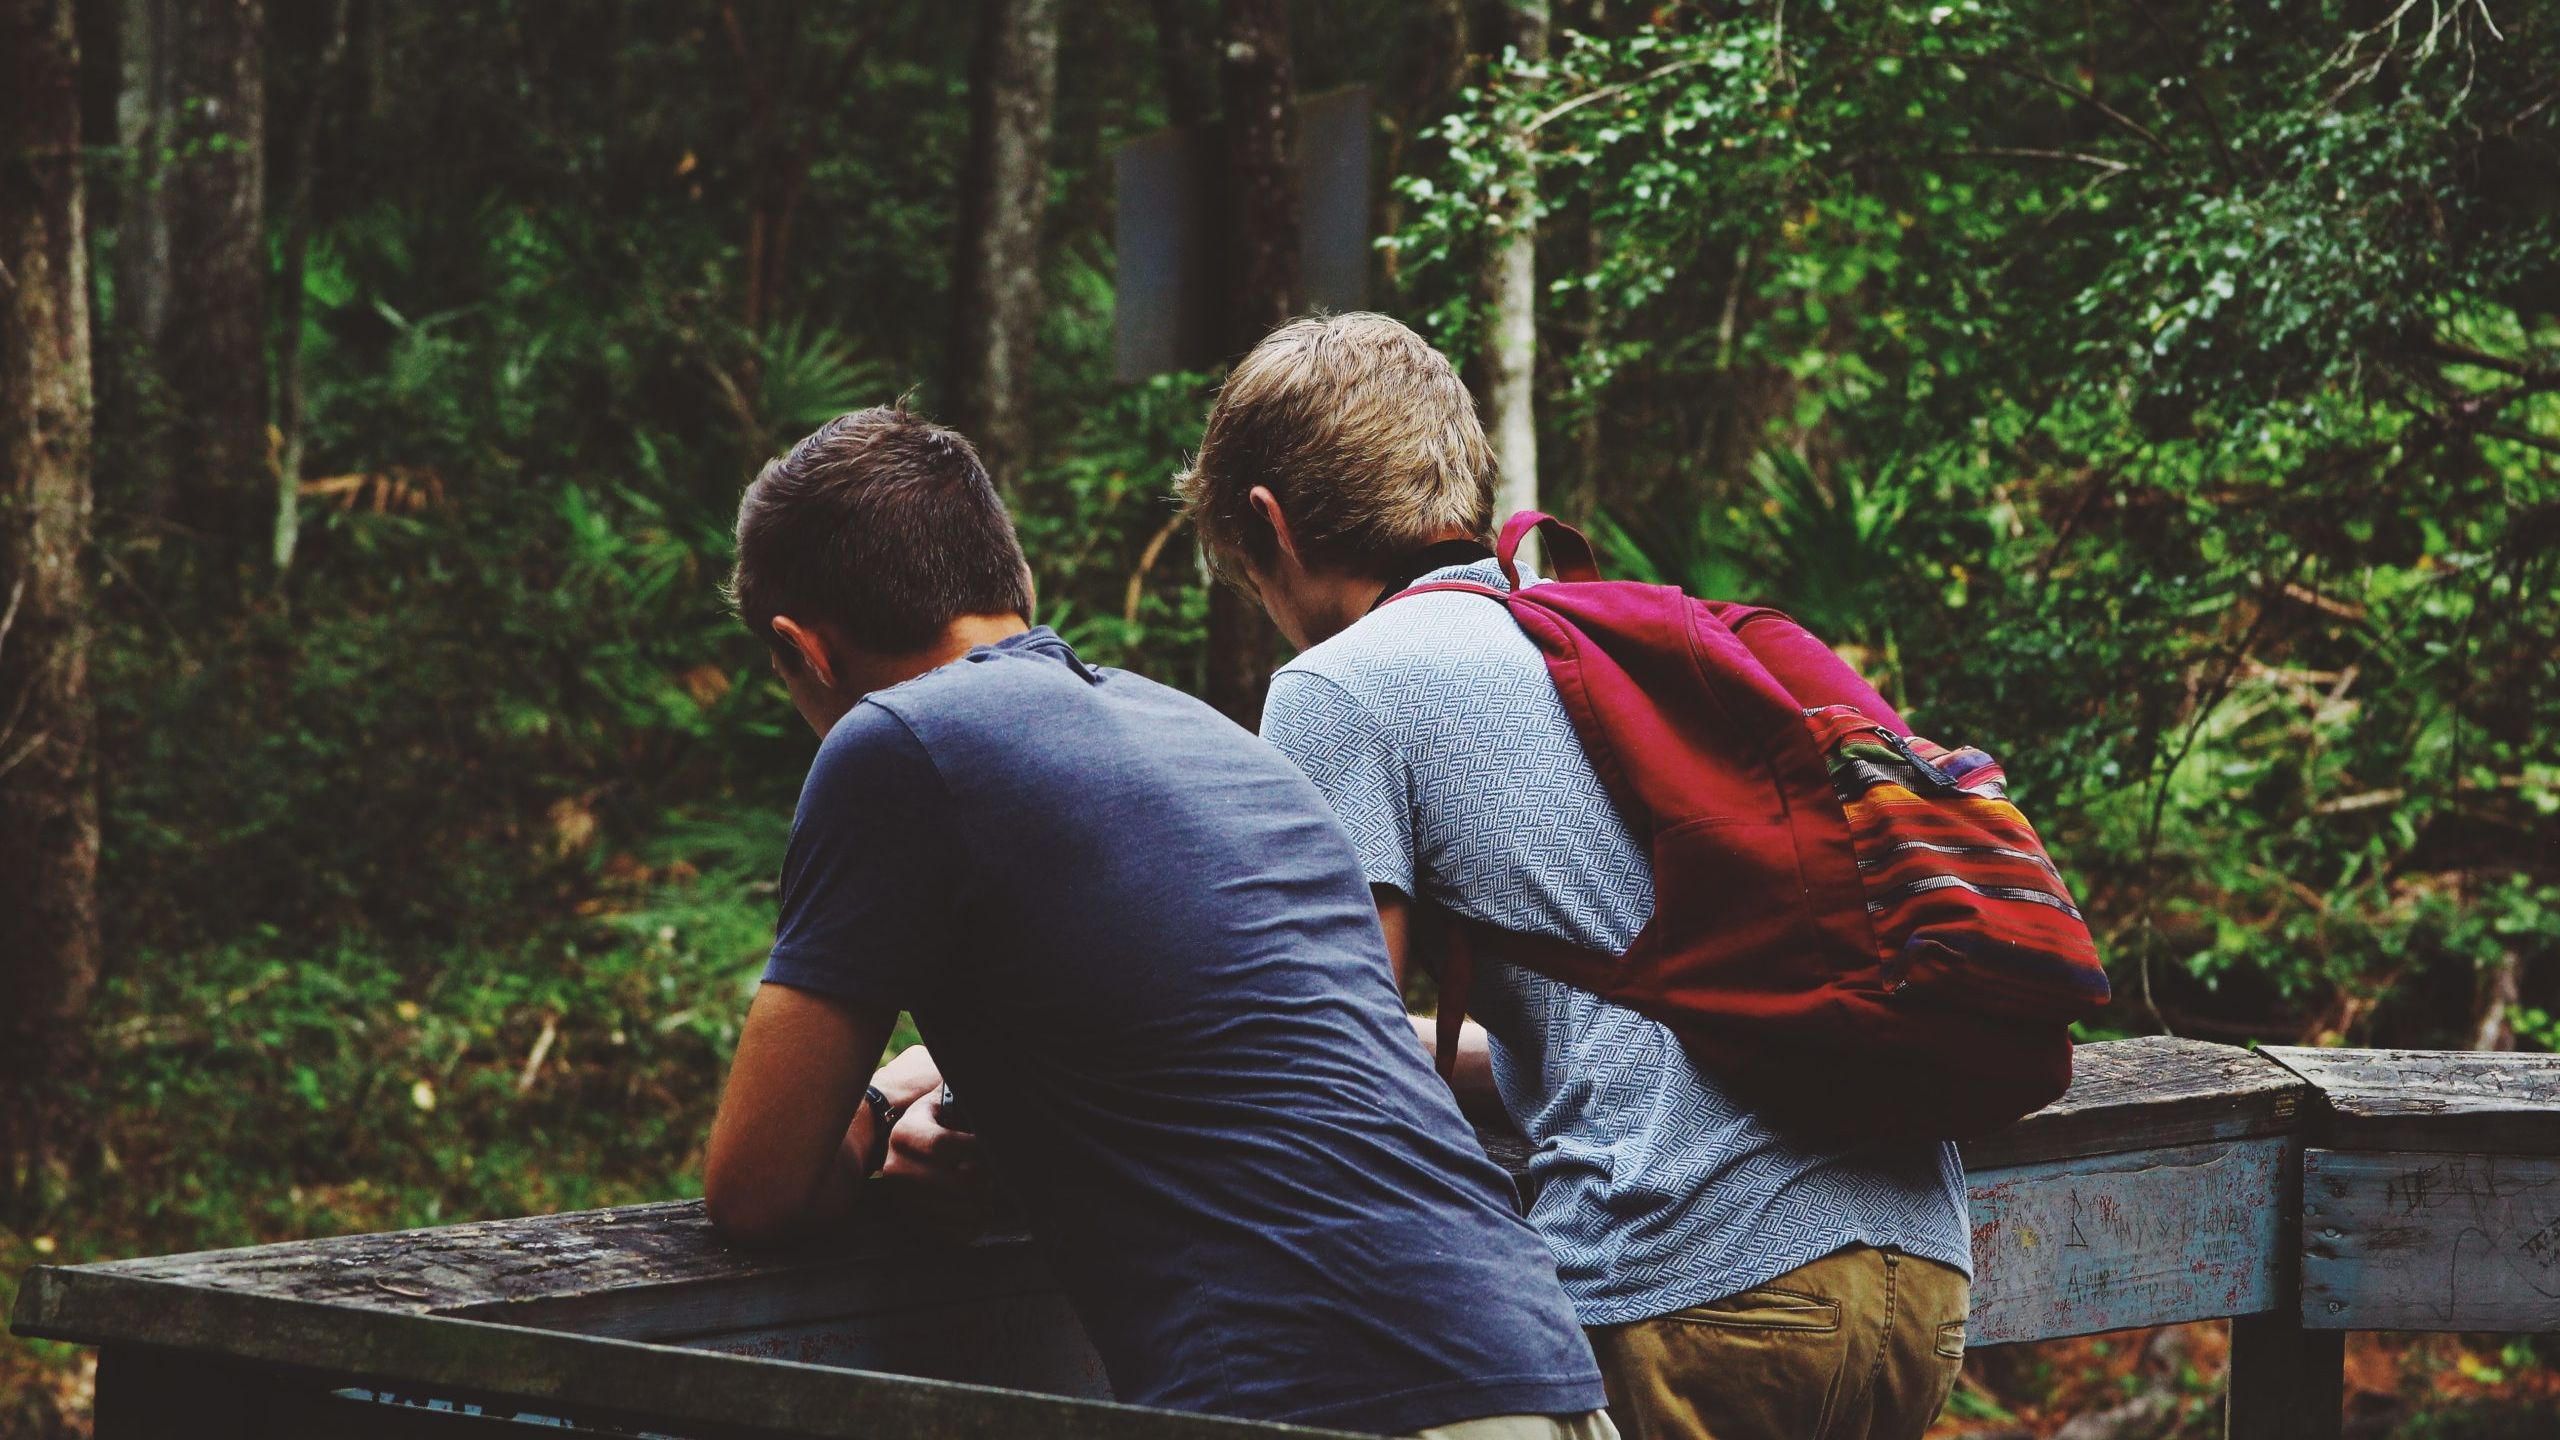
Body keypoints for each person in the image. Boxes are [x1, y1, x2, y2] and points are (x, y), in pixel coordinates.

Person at [702, 403, 1616, 1440]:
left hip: (1330, 1394)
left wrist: (865, 1118)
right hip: (1537, 1368)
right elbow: (1214, 1042)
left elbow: (756, 1186)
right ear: (1009, 584)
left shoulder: (894, 743)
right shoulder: (1208, 741)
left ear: (804, 650)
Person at [1174, 313, 1974, 1440]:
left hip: (1690, 1284)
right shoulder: (1594, 649)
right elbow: (1620, 1018)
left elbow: (1329, 1059)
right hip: (1917, 1276)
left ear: (1272, 525)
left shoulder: (1337, 688)